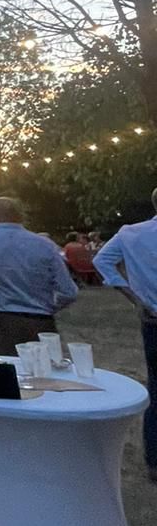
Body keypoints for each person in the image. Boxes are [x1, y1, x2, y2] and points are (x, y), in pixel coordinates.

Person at [0, 196, 78, 357]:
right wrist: (50, 305)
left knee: (4, 375)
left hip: (3, 320)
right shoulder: (45, 244)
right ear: (20, 216)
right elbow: (69, 291)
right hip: (42, 321)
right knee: (43, 375)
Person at [93, 195, 157, 482]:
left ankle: (155, 460)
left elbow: (102, 260)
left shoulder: (131, 233)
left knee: (156, 389)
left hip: (152, 317)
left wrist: (133, 296)